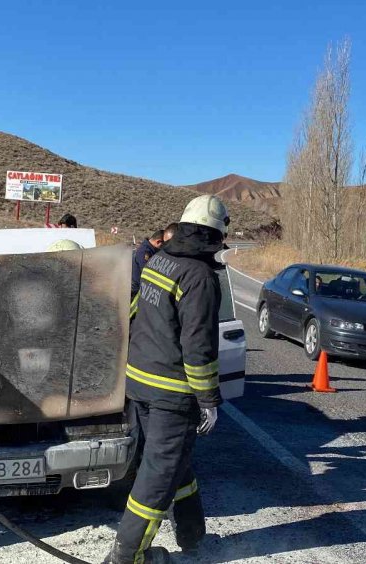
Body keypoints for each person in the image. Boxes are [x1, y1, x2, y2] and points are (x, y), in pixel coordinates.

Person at [108, 194, 230, 564]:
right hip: (171, 394)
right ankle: (127, 555)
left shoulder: (160, 261)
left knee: (175, 462)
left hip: (140, 384)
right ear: (216, 234)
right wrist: (208, 399)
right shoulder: (200, 277)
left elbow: (135, 311)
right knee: (158, 476)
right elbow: (198, 347)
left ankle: (193, 534)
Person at [131, 230, 164, 298]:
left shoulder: (151, 250)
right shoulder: (145, 252)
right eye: (164, 244)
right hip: (136, 289)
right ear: (158, 241)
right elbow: (147, 272)